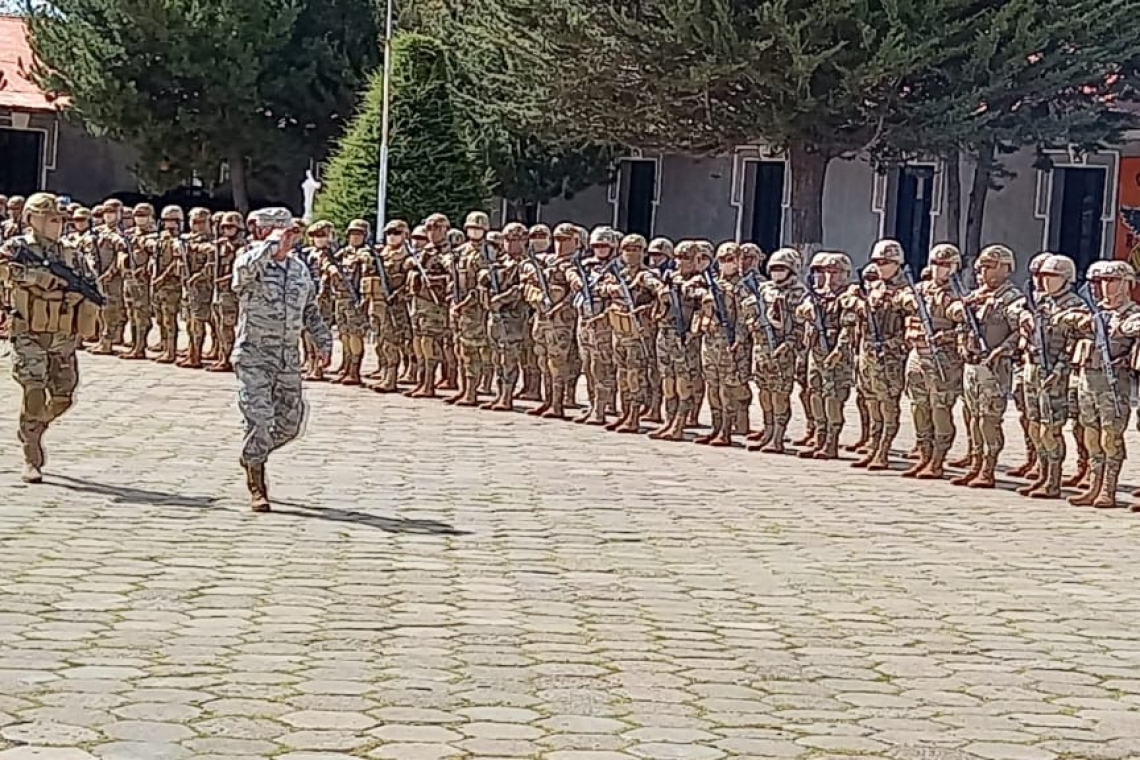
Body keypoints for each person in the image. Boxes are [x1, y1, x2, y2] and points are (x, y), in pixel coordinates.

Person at [232, 207, 332, 512]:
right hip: (254, 356)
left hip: (288, 359)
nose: (291, 240)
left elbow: (310, 310)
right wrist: (270, 245)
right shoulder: (252, 260)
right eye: (286, 234)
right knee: (260, 419)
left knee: (290, 424)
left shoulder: (299, 269)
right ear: (266, 233)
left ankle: (252, 452)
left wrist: (323, 340)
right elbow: (239, 278)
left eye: (292, 234)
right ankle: (257, 482)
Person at [0, 193, 100, 483]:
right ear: (32, 219)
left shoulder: (71, 254)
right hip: (29, 332)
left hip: (62, 335)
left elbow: (91, 283)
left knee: (63, 397)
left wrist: (78, 294)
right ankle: (31, 453)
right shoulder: (17, 247)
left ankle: (33, 426)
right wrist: (36, 278)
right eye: (51, 219)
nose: (58, 225)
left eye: (60, 219)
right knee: (33, 389)